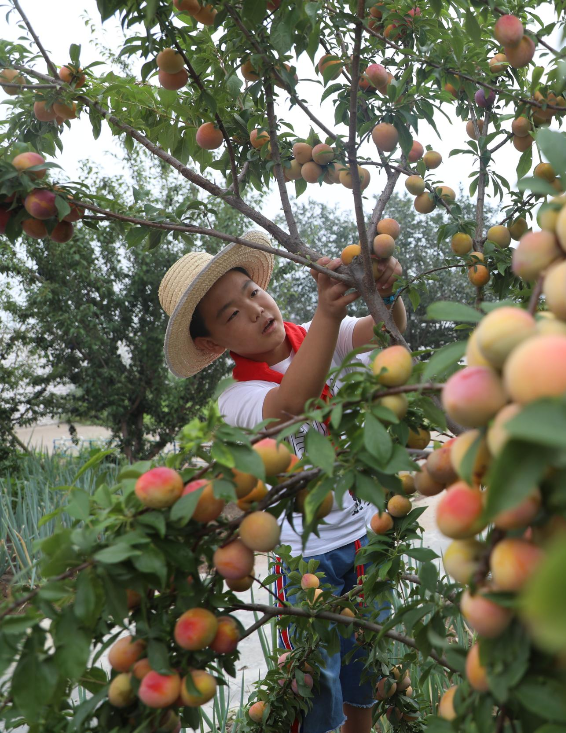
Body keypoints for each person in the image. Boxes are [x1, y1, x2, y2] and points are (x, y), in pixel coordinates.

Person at [157, 230, 406, 733]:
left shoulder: (320, 335)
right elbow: (291, 405)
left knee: (370, 659)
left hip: (364, 536)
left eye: (251, 292)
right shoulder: (236, 399)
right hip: (303, 556)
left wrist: (386, 293)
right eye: (230, 314)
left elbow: (385, 332)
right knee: (313, 679)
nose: (253, 310)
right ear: (211, 343)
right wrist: (330, 314)